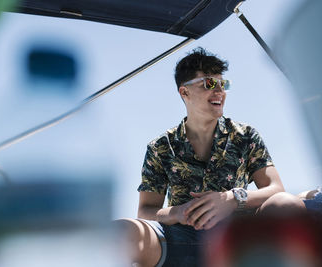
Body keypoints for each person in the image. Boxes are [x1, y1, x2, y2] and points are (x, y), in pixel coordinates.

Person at [116, 48, 306, 267]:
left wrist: (233, 199)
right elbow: (146, 211)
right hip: (182, 241)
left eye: (222, 84)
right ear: (184, 92)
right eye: (209, 84)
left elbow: (276, 189)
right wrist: (177, 212)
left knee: (286, 203)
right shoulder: (160, 147)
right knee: (122, 232)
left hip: (239, 240)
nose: (219, 91)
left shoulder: (245, 135)